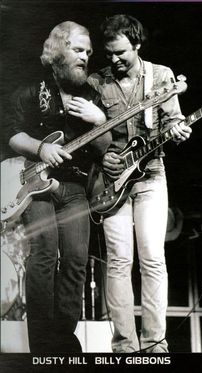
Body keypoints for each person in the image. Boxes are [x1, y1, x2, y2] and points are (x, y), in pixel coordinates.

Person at [4, 21, 110, 353]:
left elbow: (106, 146)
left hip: (76, 188)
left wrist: (100, 121)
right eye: (78, 49)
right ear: (58, 50)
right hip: (37, 185)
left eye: (89, 52)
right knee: (44, 255)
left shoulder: (91, 94)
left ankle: (63, 339)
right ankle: (42, 343)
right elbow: (10, 132)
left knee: (77, 260)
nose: (85, 57)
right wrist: (41, 149)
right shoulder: (31, 89)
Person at [88, 14, 192, 353]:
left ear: (137, 44)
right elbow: (87, 136)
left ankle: (154, 344)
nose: (114, 60)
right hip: (112, 179)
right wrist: (102, 156)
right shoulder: (96, 82)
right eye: (109, 54)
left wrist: (178, 131)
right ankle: (123, 345)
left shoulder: (161, 77)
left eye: (121, 53)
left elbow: (175, 122)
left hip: (152, 174)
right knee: (119, 261)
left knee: (152, 258)